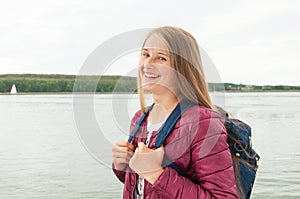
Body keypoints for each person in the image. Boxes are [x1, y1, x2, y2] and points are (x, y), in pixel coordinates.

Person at [112, 26, 239, 198]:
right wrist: (122, 166)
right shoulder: (139, 118)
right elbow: (142, 187)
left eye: (161, 58)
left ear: (182, 68)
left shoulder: (203, 122)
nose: (148, 64)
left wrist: (156, 174)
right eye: (146, 54)